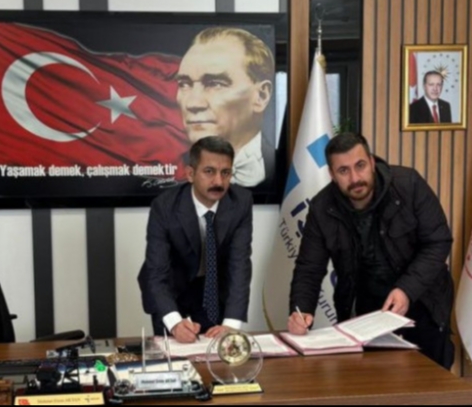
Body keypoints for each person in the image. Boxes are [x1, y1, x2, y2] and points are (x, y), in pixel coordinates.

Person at [287, 132, 455, 369]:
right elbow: (309, 268)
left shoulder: (408, 185)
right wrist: (301, 311)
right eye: (343, 171)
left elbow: (438, 241)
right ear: (332, 175)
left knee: (430, 383)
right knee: (368, 383)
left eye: (360, 166)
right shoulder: (322, 207)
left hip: (422, 303)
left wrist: (406, 290)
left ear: (372, 162)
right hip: (365, 317)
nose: (355, 178)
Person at [137, 136, 253, 343]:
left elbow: (240, 265)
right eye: (209, 171)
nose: (218, 182)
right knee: (174, 354)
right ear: (190, 174)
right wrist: (174, 323)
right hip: (171, 290)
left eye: (225, 173)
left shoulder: (240, 202)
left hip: (213, 292)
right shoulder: (165, 206)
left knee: (216, 352)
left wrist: (231, 324)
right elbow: (157, 271)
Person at [175, 27, 275, 188]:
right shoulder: (171, 170)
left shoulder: (291, 169)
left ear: (261, 96)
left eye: (215, 84)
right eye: (184, 84)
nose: (193, 103)